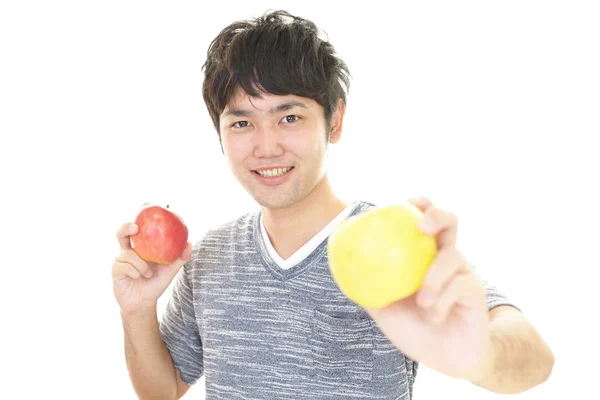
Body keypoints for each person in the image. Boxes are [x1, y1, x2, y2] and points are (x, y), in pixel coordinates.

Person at [111, 10, 554, 400]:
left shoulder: (392, 242)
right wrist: (137, 310)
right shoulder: (209, 255)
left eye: (289, 117)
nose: (266, 147)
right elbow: (162, 390)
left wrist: (478, 356)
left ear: (335, 120)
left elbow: (535, 360)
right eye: (242, 122)